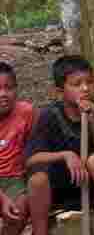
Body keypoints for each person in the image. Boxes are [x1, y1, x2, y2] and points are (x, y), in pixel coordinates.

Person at [26, 56, 94, 235]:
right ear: (60, 91)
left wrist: (92, 121)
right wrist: (65, 155)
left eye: (89, 82)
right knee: (37, 180)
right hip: (62, 186)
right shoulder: (50, 115)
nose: (85, 88)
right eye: (76, 84)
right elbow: (31, 159)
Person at [0, 63, 33, 235]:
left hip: (14, 179)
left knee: (20, 207)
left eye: (9, 88)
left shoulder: (26, 112)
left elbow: (35, 148)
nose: (3, 94)